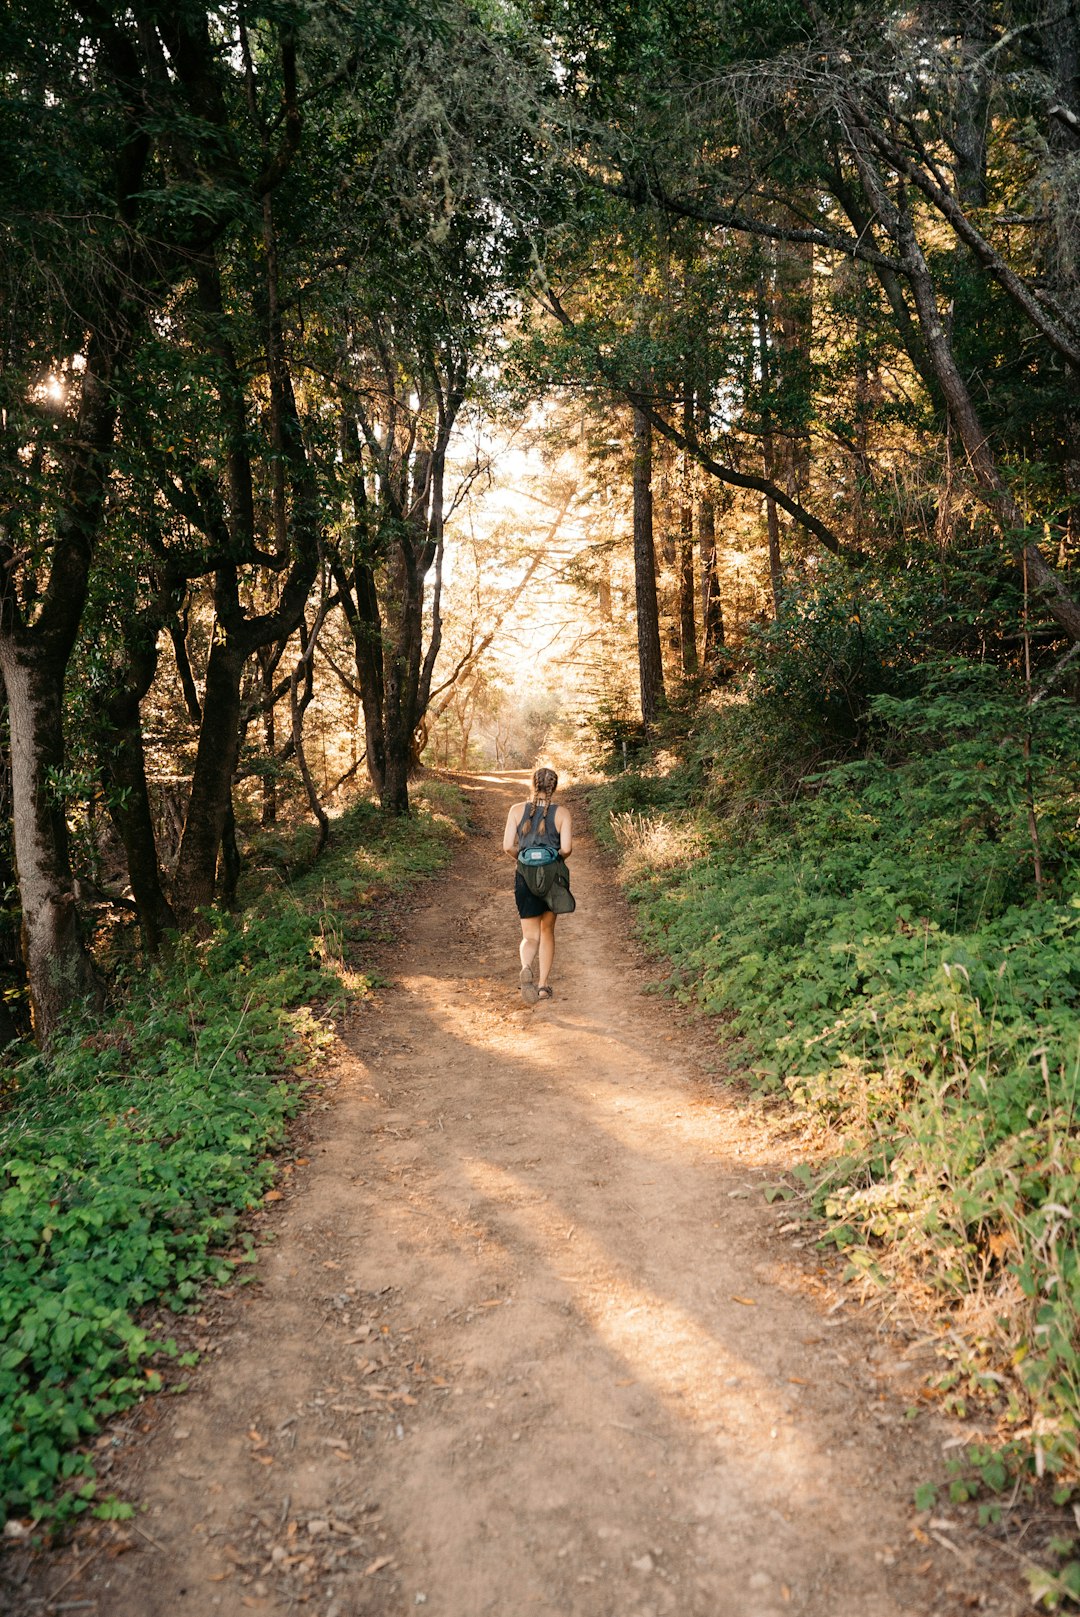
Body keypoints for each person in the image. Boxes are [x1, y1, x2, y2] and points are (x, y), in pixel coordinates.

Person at [502, 767, 573, 1004]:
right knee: (547, 932)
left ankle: (525, 966)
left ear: (532, 784)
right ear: (554, 786)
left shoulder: (515, 811)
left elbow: (508, 847)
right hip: (551, 878)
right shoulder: (562, 813)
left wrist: (523, 861)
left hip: (525, 877)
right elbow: (567, 849)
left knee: (529, 935)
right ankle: (543, 986)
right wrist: (552, 859)